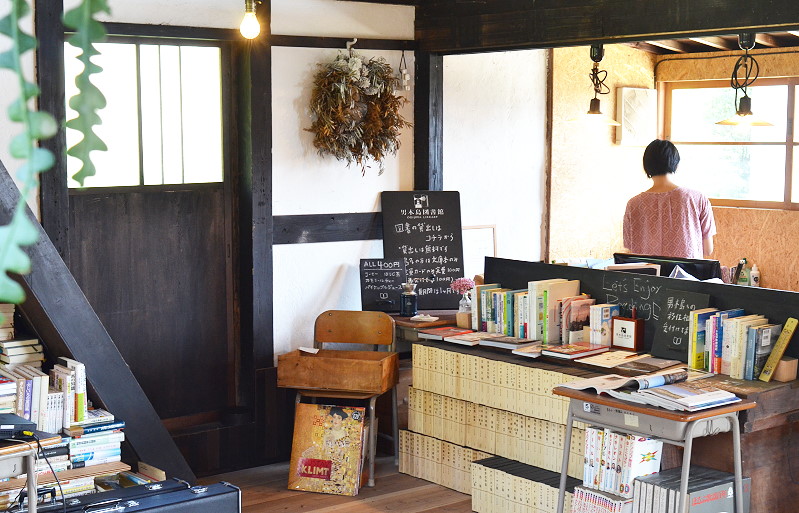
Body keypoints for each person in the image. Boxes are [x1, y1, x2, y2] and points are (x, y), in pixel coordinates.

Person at [623, 139, 716, 260]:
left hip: (648, 276)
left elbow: (630, 248)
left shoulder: (633, 204)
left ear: (646, 165)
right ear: (676, 164)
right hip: (685, 276)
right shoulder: (697, 198)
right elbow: (708, 249)